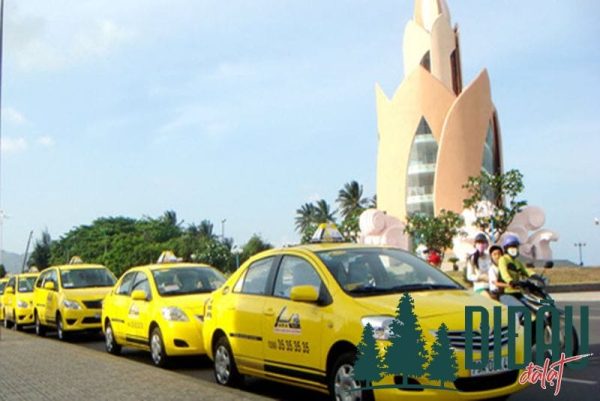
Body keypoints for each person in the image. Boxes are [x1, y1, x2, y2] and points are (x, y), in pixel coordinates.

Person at [497, 234, 533, 306]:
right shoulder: (503, 259)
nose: (514, 249)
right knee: (520, 310)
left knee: (531, 306)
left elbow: (526, 271)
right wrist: (510, 281)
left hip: (518, 292)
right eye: (511, 246)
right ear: (506, 248)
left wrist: (535, 275)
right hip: (506, 293)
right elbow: (504, 274)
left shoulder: (517, 262)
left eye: (515, 246)